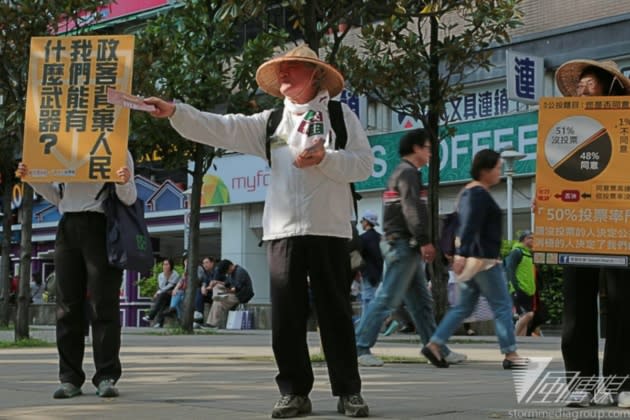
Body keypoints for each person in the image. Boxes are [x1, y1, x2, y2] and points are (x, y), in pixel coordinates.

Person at [144, 43, 372, 418]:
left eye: (293, 67)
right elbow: (221, 127)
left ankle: (349, 392)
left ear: (315, 73)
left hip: (329, 228)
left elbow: (363, 165)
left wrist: (325, 159)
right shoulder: (270, 122)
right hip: (282, 231)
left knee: (335, 314)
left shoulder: (340, 115)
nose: (284, 74)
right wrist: (175, 111)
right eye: (280, 68)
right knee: (286, 316)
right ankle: (294, 392)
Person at [16, 154, 136, 399]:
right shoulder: (63, 147)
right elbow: (57, 198)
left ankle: (106, 376)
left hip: (101, 226)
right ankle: (70, 378)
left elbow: (129, 197)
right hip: (67, 225)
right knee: (67, 306)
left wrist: (123, 181)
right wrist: (31, 178)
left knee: (103, 304)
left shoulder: (117, 147)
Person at [355, 129, 466, 368]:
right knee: (386, 299)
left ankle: (437, 348)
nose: (430, 153)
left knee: (421, 303)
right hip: (402, 244)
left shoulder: (404, 172)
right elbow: (411, 208)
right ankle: (360, 347)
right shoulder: (407, 173)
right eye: (427, 148)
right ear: (416, 148)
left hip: (406, 245)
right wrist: (425, 239)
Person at [554, 59, 630, 408]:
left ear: (611, 86)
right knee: (577, 304)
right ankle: (580, 384)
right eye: (580, 84)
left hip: (620, 226)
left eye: (590, 83)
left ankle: (620, 383)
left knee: (623, 306)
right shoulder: (564, 128)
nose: (582, 89)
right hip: (577, 225)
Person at [423, 149, 523, 369]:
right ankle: (511, 354)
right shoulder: (477, 194)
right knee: (503, 306)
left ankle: (435, 344)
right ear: (485, 170)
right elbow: (469, 224)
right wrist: (462, 253)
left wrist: (462, 255)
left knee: (463, 307)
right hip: (483, 260)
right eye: (497, 167)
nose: (499, 171)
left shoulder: (470, 192)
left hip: (473, 259)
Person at [204, 259, 254, 328]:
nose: (227, 273)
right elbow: (227, 284)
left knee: (218, 302)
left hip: (240, 296)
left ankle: (212, 324)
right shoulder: (232, 273)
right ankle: (217, 296)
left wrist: (226, 292)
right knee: (216, 286)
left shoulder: (240, 272)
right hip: (233, 292)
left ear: (230, 266)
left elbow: (236, 289)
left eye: (227, 272)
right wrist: (216, 282)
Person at [504, 230, 536, 336]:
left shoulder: (529, 254)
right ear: (524, 239)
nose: (533, 240)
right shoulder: (517, 252)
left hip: (529, 290)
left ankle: (522, 344)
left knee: (525, 319)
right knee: (528, 315)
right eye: (530, 238)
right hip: (519, 289)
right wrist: (515, 286)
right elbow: (510, 269)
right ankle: (513, 337)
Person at [357, 210, 383, 327]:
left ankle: (367, 325)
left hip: (367, 273)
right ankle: (365, 323)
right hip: (380, 273)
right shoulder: (380, 237)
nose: (361, 223)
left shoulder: (362, 238)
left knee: (367, 299)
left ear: (367, 222)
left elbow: (359, 256)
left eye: (362, 221)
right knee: (373, 298)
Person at [142, 258, 180, 328]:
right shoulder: (160, 275)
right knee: (162, 300)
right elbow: (162, 287)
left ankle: (151, 316)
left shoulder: (175, 275)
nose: (164, 266)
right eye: (164, 264)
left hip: (173, 296)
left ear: (171, 266)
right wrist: (165, 276)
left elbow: (169, 286)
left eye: (167, 264)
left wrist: (158, 292)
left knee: (161, 297)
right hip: (165, 295)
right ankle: (159, 322)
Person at [194, 256, 218, 324]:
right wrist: (203, 287)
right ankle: (199, 317)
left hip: (216, 294)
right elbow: (204, 282)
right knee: (198, 292)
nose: (205, 265)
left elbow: (214, 283)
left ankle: (199, 318)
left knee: (199, 293)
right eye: (203, 263)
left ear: (212, 263)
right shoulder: (205, 273)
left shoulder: (216, 271)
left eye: (207, 262)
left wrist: (205, 288)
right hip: (209, 294)